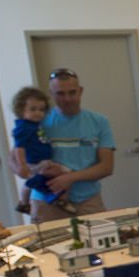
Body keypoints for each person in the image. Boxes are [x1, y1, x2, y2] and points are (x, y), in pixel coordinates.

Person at [16, 68, 114, 223]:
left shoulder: (99, 122)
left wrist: (69, 178)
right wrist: (35, 171)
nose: (67, 99)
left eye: (72, 92)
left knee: (99, 244)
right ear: (51, 94)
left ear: (80, 91)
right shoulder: (38, 121)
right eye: (60, 94)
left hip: (88, 200)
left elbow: (106, 167)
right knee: (49, 246)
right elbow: (14, 157)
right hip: (46, 203)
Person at [8, 86, 73, 215]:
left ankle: (56, 198)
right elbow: (19, 147)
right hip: (35, 162)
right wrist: (22, 165)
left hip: (43, 160)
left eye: (41, 109)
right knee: (58, 176)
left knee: (64, 175)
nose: (38, 113)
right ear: (21, 110)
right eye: (33, 109)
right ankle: (26, 203)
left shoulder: (34, 124)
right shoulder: (23, 128)